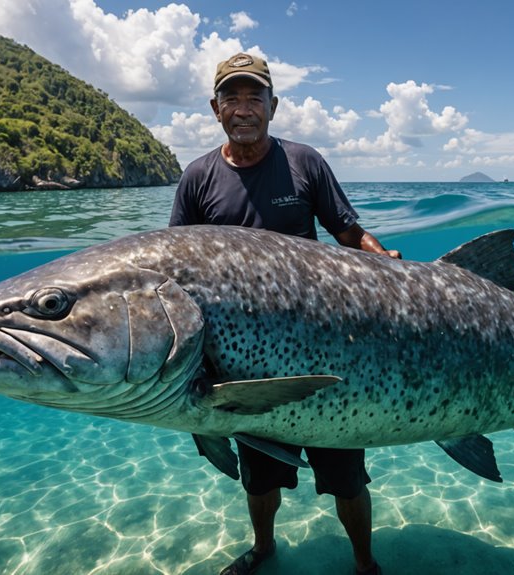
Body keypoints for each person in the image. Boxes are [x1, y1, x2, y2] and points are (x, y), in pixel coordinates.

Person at [169, 52, 398, 575]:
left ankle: (364, 560)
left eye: (255, 98)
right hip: (243, 365)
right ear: (215, 108)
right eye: (233, 98)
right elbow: (174, 275)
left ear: (274, 105)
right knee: (261, 479)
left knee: (347, 476)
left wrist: (383, 260)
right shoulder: (198, 178)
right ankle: (265, 547)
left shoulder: (304, 162)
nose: (244, 108)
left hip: (325, 358)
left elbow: (348, 232)